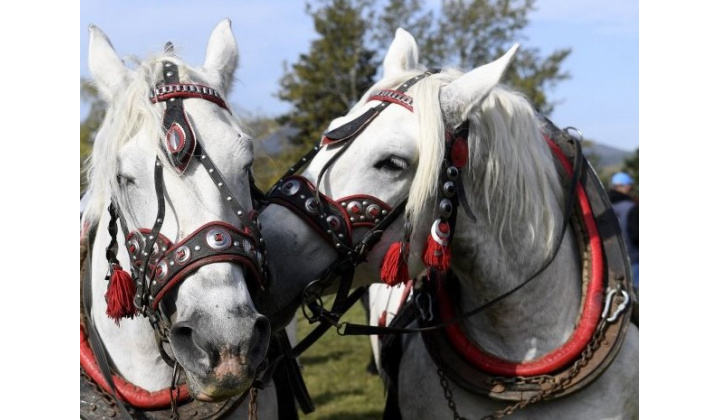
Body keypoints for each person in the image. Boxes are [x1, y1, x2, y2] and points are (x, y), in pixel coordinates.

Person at [608, 172, 639, 293]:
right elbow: (637, 236)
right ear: (625, 186)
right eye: (629, 186)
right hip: (634, 259)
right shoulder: (631, 207)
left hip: (611, 260)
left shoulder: (603, 206)